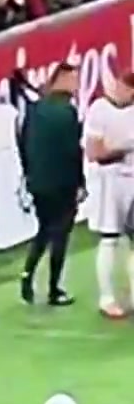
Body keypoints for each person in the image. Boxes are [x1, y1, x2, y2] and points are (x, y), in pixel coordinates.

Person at [18, 61, 83, 307]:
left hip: (39, 181)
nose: (76, 85)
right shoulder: (67, 112)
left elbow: (23, 142)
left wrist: (29, 174)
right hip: (62, 182)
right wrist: (80, 182)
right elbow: (72, 151)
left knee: (44, 229)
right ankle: (54, 288)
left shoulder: (36, 109)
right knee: (60, 234)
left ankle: (27, 275)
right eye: (73, 79)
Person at [82, 69, 134, 319]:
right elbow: (95, 153)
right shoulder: (100, 109)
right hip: (109, 182)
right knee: (110, 238)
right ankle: (107, 298)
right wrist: (123, 150)